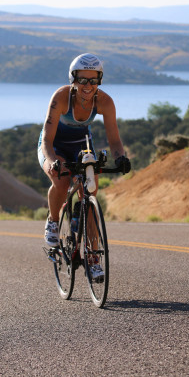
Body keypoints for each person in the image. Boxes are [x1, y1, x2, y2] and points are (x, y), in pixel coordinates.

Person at [38, 53, 130, 276]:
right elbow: (48, 141)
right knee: (61, 181)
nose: (88, 85)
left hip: (82, 145)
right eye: (82, 79)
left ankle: (93, 257)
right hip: (54, 146)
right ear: (73, 79)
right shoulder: (61, 97)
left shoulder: (105, 102)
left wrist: (121, 158)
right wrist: (51, 161)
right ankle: (53, 221)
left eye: (93, 80)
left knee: (90, 193)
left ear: (99, 80)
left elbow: (115, 140)